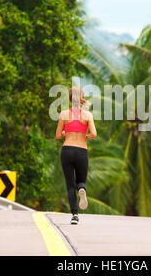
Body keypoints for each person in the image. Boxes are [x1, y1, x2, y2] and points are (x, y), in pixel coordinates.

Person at [55, 86, 97, 225]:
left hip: (67, 150)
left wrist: (65, 133)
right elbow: (94, 134)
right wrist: (86, 136)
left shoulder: (64, 114)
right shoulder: (87, 115)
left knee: (69, 185)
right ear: (81, 98)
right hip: (81, 151)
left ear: (69, 99)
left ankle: (74, 215)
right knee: (81, 180)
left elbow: (57, 135)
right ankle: (82, 189)